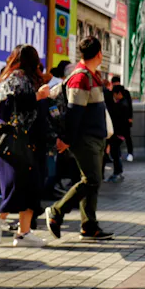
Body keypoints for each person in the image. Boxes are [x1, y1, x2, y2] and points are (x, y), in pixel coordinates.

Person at [44, 37, 113, 241]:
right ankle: (57, 211)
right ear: (99, 53)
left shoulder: (92, 76)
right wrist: (66, 139)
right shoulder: (80, 78)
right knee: (91, 180)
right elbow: (74, 112)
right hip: (85, 138)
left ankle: (89, 226)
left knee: (92, 181)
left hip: (96, 136)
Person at [0, 45, 49, 248]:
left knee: (33, 188)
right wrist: (37, 97)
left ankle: (24, 233)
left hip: (31, 140)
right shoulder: (15, 78)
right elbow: (8, 106)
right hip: (16, 140)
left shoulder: (28, 79)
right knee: (19, 184)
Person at [103, 86, 127, 183]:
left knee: (115, 153)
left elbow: (117, 121)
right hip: (119, 134)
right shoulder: (122, 103)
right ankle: (118, 171)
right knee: (116, 153)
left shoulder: (120, 105)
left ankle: (117, 172)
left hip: (117, 134)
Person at [109, 76, 134, 162]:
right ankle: (117, 156)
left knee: (127, 137)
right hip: (117, 121)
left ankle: (130, 153)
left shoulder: (125, 93)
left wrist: (130, 117)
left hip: (124, 120)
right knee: (116, 140)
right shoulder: (111, 92)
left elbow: (130, 105)